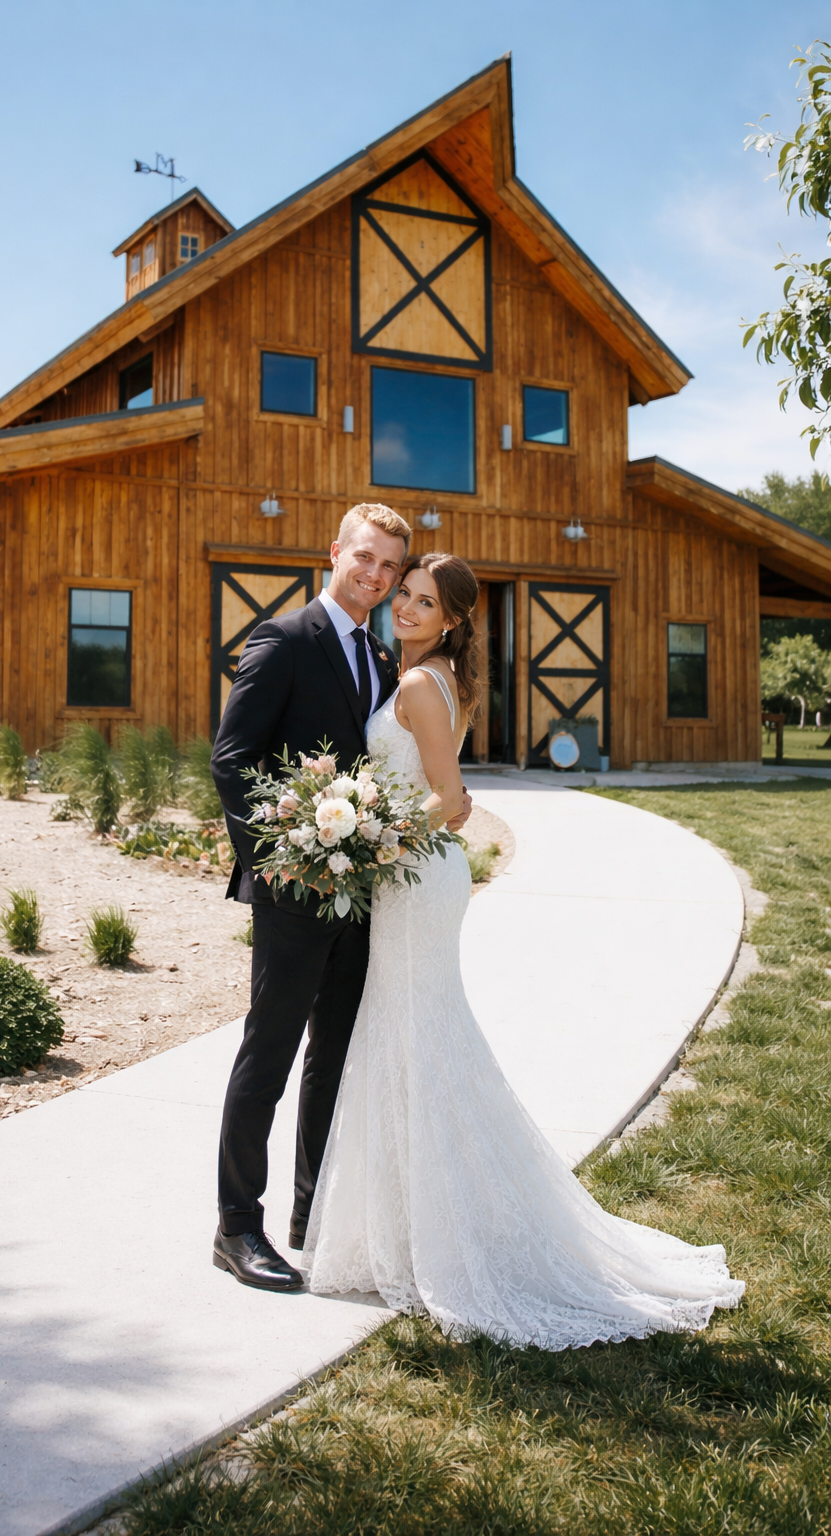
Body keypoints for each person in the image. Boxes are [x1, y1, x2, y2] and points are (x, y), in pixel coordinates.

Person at [304, 552, 745, 1347]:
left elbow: (448, 801)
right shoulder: (439, 678)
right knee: (412, 1040)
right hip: (415, 880)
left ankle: (437, 1237)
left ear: (453, 619)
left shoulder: (414, 686)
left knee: (416, 1041)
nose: (403, 607)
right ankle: (408, 1226)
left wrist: (366, 843)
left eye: (422, 601)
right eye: (402, 594)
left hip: (412, 878)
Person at [210, 504, 472, 1292]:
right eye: (366, 557)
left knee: (334, 1058)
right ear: (336, 554)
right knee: (270, 1054)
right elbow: (233, 760)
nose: (377, 575)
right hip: (295, 890)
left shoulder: (383, 658)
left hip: (365, 893)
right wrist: (279, 863)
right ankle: (236, 1227)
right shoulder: (285, 640)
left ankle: (310, 1214)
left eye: (391, 566)